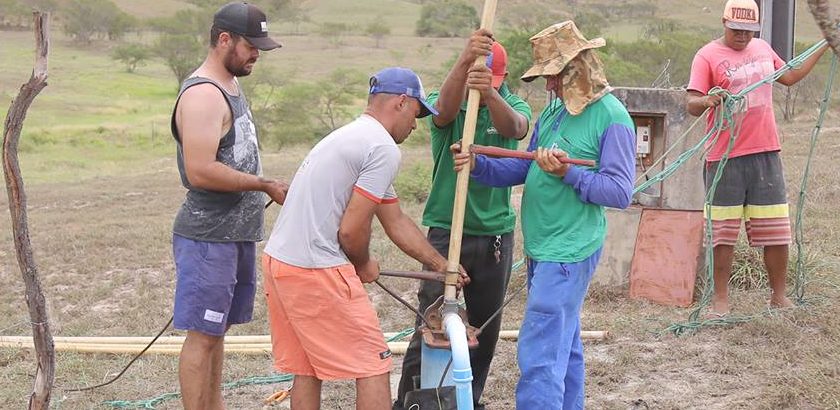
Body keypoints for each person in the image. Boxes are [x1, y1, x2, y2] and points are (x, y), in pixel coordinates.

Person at [262, 67, 469, 410]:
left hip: (280, 262)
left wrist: (441, 264)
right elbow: (351, 229)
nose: (415, 125)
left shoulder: (351, 136)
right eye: (416, 114)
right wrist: (362, 263)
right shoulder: (382, 148)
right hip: (315, 268)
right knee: (374, 363)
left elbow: (395, 219)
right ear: (402, 103)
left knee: (307, 367)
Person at [453, 21, 635, 409]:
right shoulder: (554, 113)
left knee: (539, 351)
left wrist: (568, 172)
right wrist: (478, 164)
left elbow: (620, 192)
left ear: (576, 69)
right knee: (563, 345)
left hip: (569, 252)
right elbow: (524, 168)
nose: (549, 86)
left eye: (553, 76)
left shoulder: (612, 118)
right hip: (543, 247)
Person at [394, 29, 531, 410]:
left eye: (493, 81)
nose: (483, 91)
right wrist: (464, 62)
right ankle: (411, 402)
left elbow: (516, 129)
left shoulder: (514, 105)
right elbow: (444, 114)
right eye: (479, 79)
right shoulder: (446, 100)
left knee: (483, 332)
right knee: (431, 324)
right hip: (446, 230)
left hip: (495, 235)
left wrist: (490, 94)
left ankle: (468, 400)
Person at [169, 2, 287, 409]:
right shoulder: (204, 94)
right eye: (251, 45)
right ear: (224, 40)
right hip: (207, 237)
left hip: (234, 235)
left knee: (217, 331)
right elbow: (200, 170)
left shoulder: (232, 87)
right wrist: (263, 183)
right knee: (202, 335)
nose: (257, 54)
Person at [686, 0, 828, 317]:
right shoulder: (707, 56)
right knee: (722, 234)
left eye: (749, 31)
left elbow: (789, 77)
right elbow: (691, 102)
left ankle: (779, 296)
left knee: (776, 231)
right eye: (737, 30)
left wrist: (823, 47)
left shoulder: (763, 49)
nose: (743, 36)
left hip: (766, 153)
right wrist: (709, 99)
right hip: (723, 157)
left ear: (757, 28)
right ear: (724, 22)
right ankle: (720, 299)